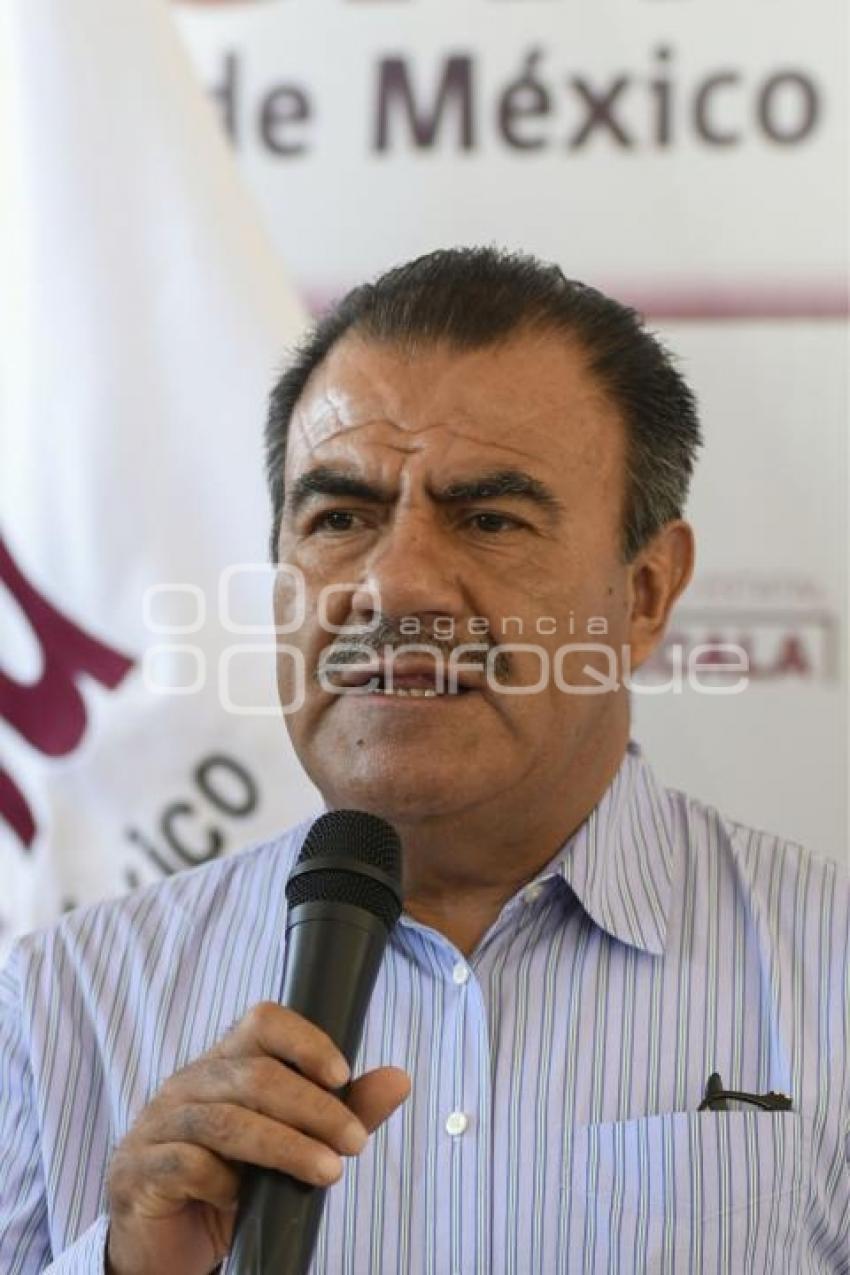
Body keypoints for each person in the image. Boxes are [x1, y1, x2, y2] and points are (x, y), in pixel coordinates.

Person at [1, 248, 847, 1274]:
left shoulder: (828, 971)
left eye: (489, 519)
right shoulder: (60, 1003)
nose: (395, 586)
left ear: (645, 593)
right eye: (340, 519)